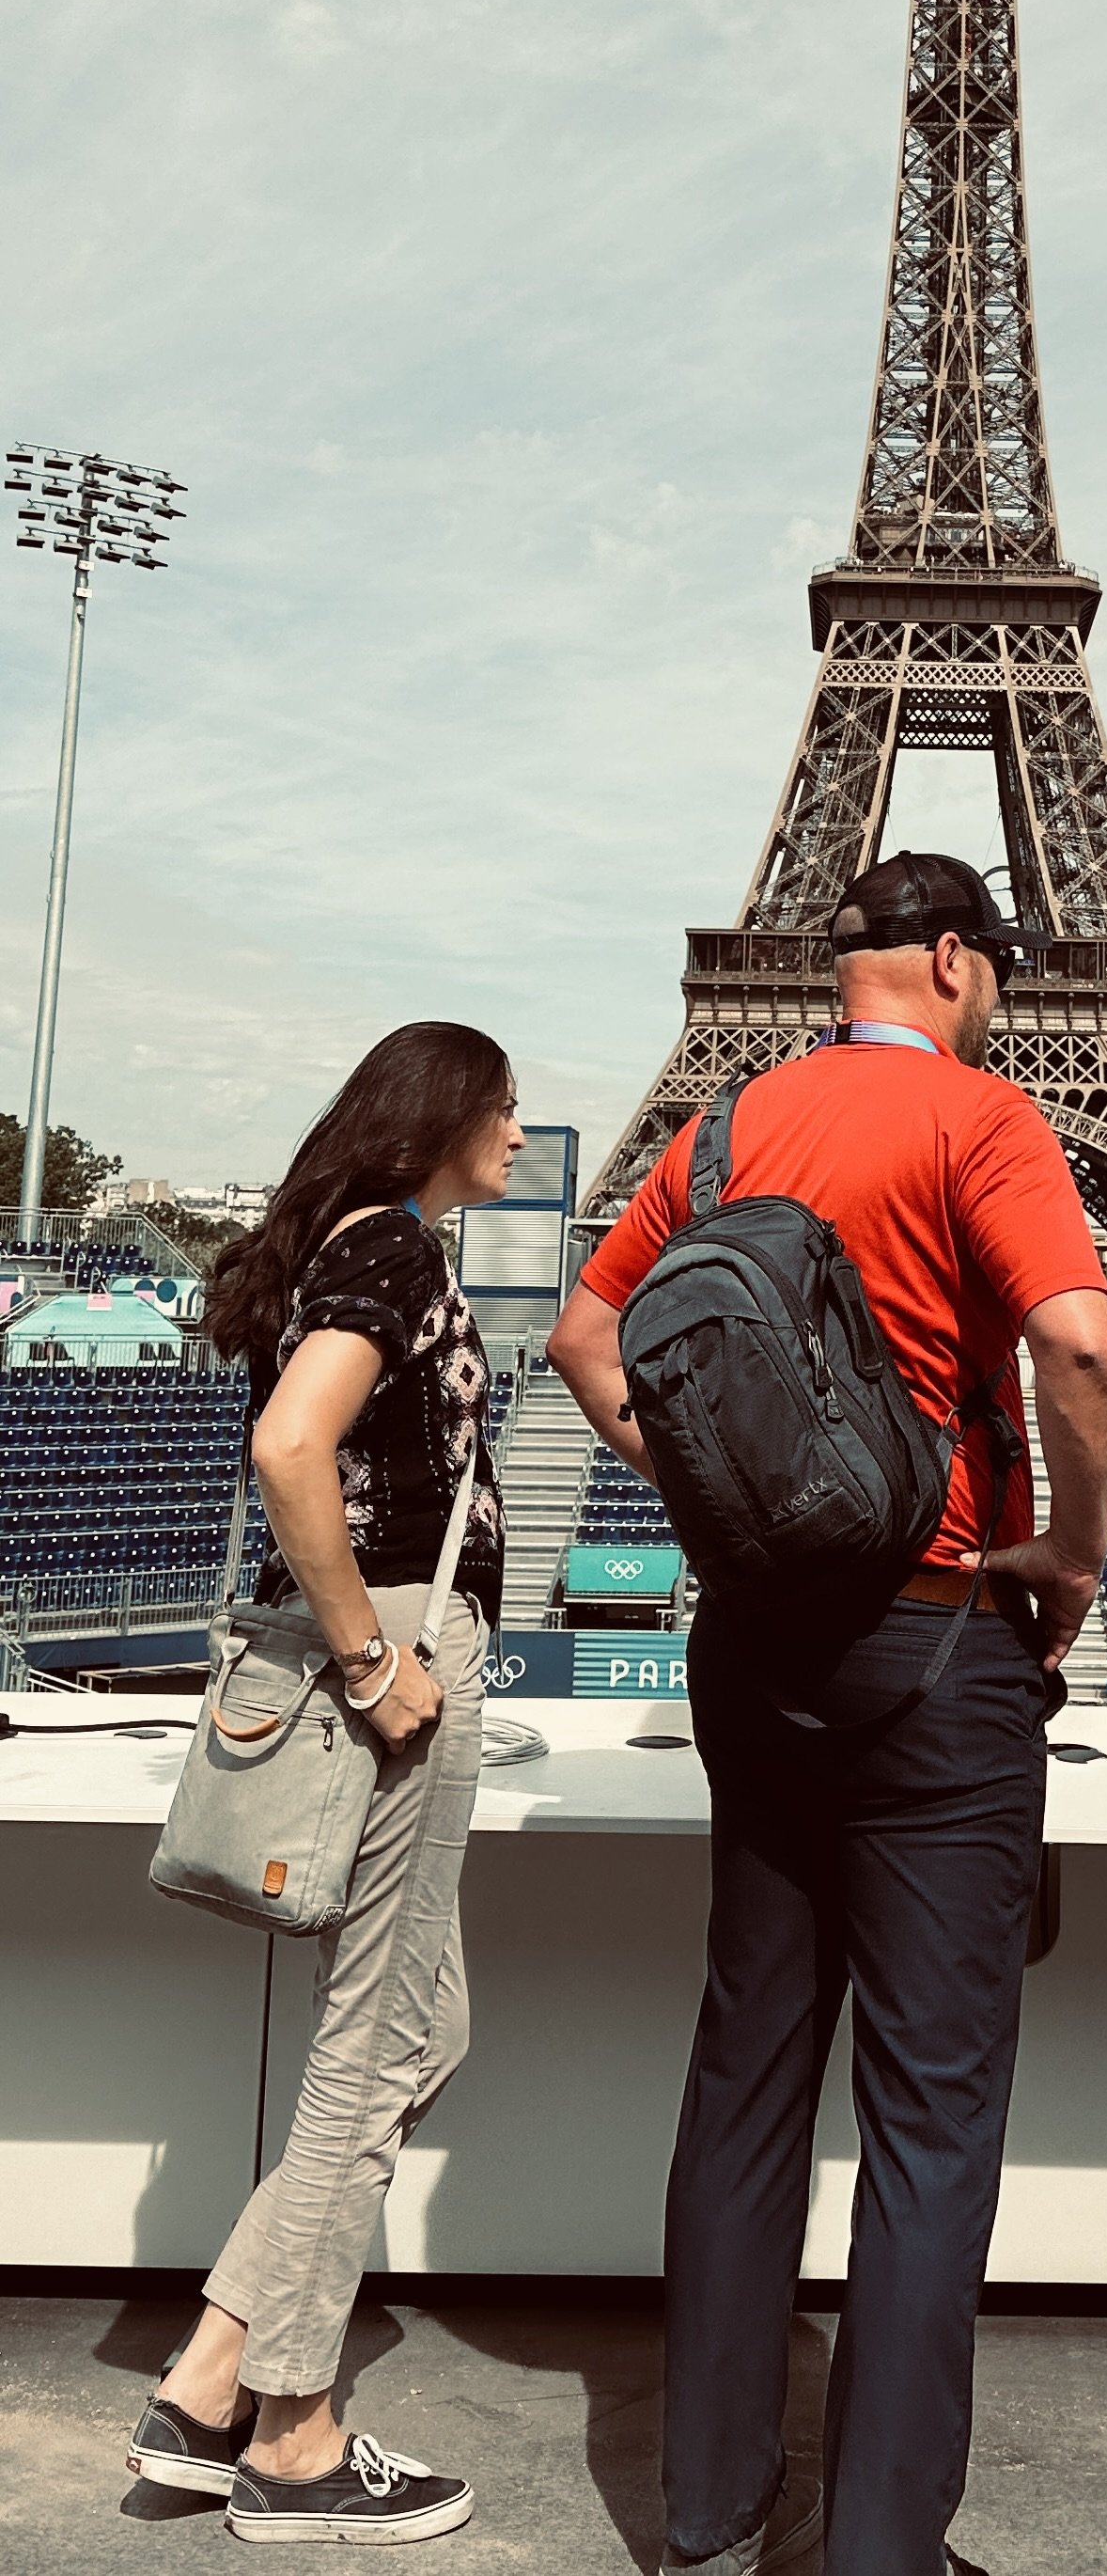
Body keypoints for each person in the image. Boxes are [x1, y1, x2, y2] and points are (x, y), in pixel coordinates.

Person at [549, 850, 1107, 2576]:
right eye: (997, 968)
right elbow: (1083, 1351)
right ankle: (879, 2549)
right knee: (933, 2115)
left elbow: (591, 1335)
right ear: (954, 960)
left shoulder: (726, 1128)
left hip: (755, 1645)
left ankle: (709, 2515)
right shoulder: (982, 1119)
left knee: (745, 2072)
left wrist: (719, 1505)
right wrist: (1073, 1555)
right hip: (940, 1642)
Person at [130, 1022, 521, 2546]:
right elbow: (293, 1442)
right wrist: (377, 1662)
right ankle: (295, 2435)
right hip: (406, 1661)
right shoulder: (398, 1248)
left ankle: (213, 2370)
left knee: (430, 2022)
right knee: (373, 2044)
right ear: (441, 1112)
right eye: (502, 1101)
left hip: (381, 1651)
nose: (516, 1125)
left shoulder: (346, 1243)